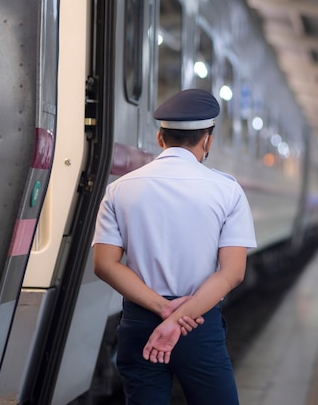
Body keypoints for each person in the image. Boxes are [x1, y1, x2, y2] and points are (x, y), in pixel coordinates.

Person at [92, 88, 257, 405]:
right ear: (207, 140)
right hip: (198, 323)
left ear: (160, 138)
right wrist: (180, 317)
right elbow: (232, 273)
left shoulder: (119, 189)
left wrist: (163, 309)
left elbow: (105, 264)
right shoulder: (227, 190)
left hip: (140, 321)